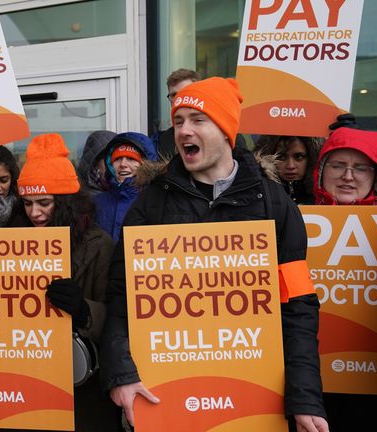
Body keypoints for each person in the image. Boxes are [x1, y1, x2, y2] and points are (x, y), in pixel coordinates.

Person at [100, 77, 328, 431]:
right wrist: (121, 374)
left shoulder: (273, 203)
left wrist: (305, 398)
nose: (183, 130)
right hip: (166, 397)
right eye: (178, 121)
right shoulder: (152, 203)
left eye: (197, 119)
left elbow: (297, 306)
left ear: (225, 130)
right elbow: (120, 295)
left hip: (253, 401)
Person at [7, 133, 123, 431]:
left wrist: (84, 310)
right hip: (26, 384)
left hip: (81, 391)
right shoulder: (8, 241)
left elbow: (119, 319)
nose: (35, 213)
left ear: (67, 203)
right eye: (27, 203)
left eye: (45, 202)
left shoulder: (100, 245)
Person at [312, 125, 377, 431]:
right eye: (338, 165)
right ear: (320, 170)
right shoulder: (294, 221)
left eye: (360, 167)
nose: (348, 176)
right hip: (312, 388)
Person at [95, 132, 157, 241]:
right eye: (117, 159)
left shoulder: (156, 201)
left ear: (145, 165)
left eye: (131, 159)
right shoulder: (96, 202)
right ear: (110, 165)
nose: (123, 164)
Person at [313, 126, 377, 205]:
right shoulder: (301, 213)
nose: (347, 177)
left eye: (361, 169)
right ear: (321, 171)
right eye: (337, 167)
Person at [254, 135, 321, 204]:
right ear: (267, 158)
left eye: (299, 157)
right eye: (281, 157)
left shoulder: (323, 199)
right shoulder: (258, 197)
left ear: (311, 159)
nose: (290, 166)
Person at [154, 68, 201, 159]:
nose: (180, 99)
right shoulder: (162, 140)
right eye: (174, 95)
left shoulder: (213, 132)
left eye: (185, 92)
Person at [75, 130, 117, 198]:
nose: (114, 167)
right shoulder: (79, 195)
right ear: (94, 161)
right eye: (110, 161)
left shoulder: (126, 193)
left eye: (118, 160)